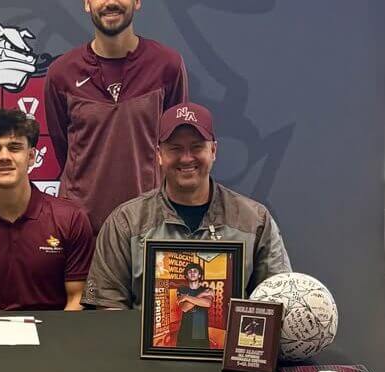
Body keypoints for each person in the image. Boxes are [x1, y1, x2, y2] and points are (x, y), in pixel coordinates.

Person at [82, 102, 292, 309]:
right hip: (137, 344)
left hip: (231, 343)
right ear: (159, 155)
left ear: (213, 151)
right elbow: (108, 308)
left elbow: (277, 302)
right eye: (175, 148)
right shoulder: (126, 221)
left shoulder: (255, 220)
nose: (186, 158)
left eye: (197, 147)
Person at [45, 0, 188, 234]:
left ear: (138, 2)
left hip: (148, 225)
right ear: (87, 4)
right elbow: (63, 146)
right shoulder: (62, 72)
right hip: (80, 229)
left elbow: (174, 144)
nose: (111, 2)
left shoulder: (167, 65)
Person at [0, 109, 95, 311]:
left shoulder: (70, 218)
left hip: (54, 336)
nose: (4, 157)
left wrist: (57, 342)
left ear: (32, 156)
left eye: (15, 148)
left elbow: (77, 298)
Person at [175, 263, 214, 348]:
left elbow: (207, 303)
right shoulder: (181, 289)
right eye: (190, 271)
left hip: (200, 333)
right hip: (185, 332)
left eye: (195, 271)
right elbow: (185, 308)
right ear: (186, 275)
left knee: (202, 360)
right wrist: (201, 295)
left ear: (199, 275)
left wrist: (186, 297)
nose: (192, 273)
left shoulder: (207, 289)